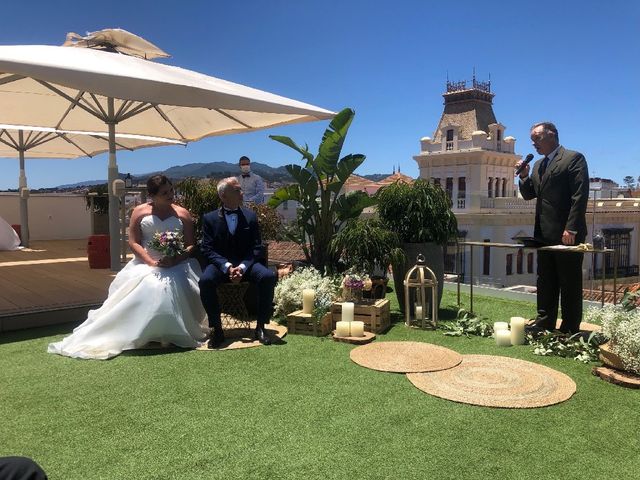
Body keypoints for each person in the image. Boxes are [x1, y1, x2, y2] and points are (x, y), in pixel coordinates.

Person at [48, 175, 208, 359]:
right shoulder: (139, 212)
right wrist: (150, 261)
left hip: (177, 263)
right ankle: (144, 332)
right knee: (152, 285)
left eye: (171, 190)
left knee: (175, 284)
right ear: (152, 195)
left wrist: (175, 258)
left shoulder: (182, 213)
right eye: (165, 192)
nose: (170, 195)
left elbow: (190, 244)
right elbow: (134, 242)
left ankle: (171, 332)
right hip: (147, 262)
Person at [516, 122, 589, 334]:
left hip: (567, 235)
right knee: (546, 280)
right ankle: (544, 322)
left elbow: (579, 196)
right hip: (543, 235)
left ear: (552, 135)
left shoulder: (573, 158)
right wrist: (523, 176)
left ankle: (569, 328)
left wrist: (572, 228)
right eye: (532, 138)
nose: (533, 142)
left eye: (537, 137)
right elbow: (530, 194)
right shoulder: (538, 165)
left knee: (569, 282)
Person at [199, 177, 276, 347]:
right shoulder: (209, 218)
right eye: (237, 190)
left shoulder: (250, 216)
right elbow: (207, 249)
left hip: (246, 264)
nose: (242, 193)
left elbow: (256, 247)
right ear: (223, 196)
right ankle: (217, 329)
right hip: (221, 266)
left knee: (268, 276)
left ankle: (261, 326)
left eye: (240, 190)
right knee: (205, 281)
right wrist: (227, 267)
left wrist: (241, 267)